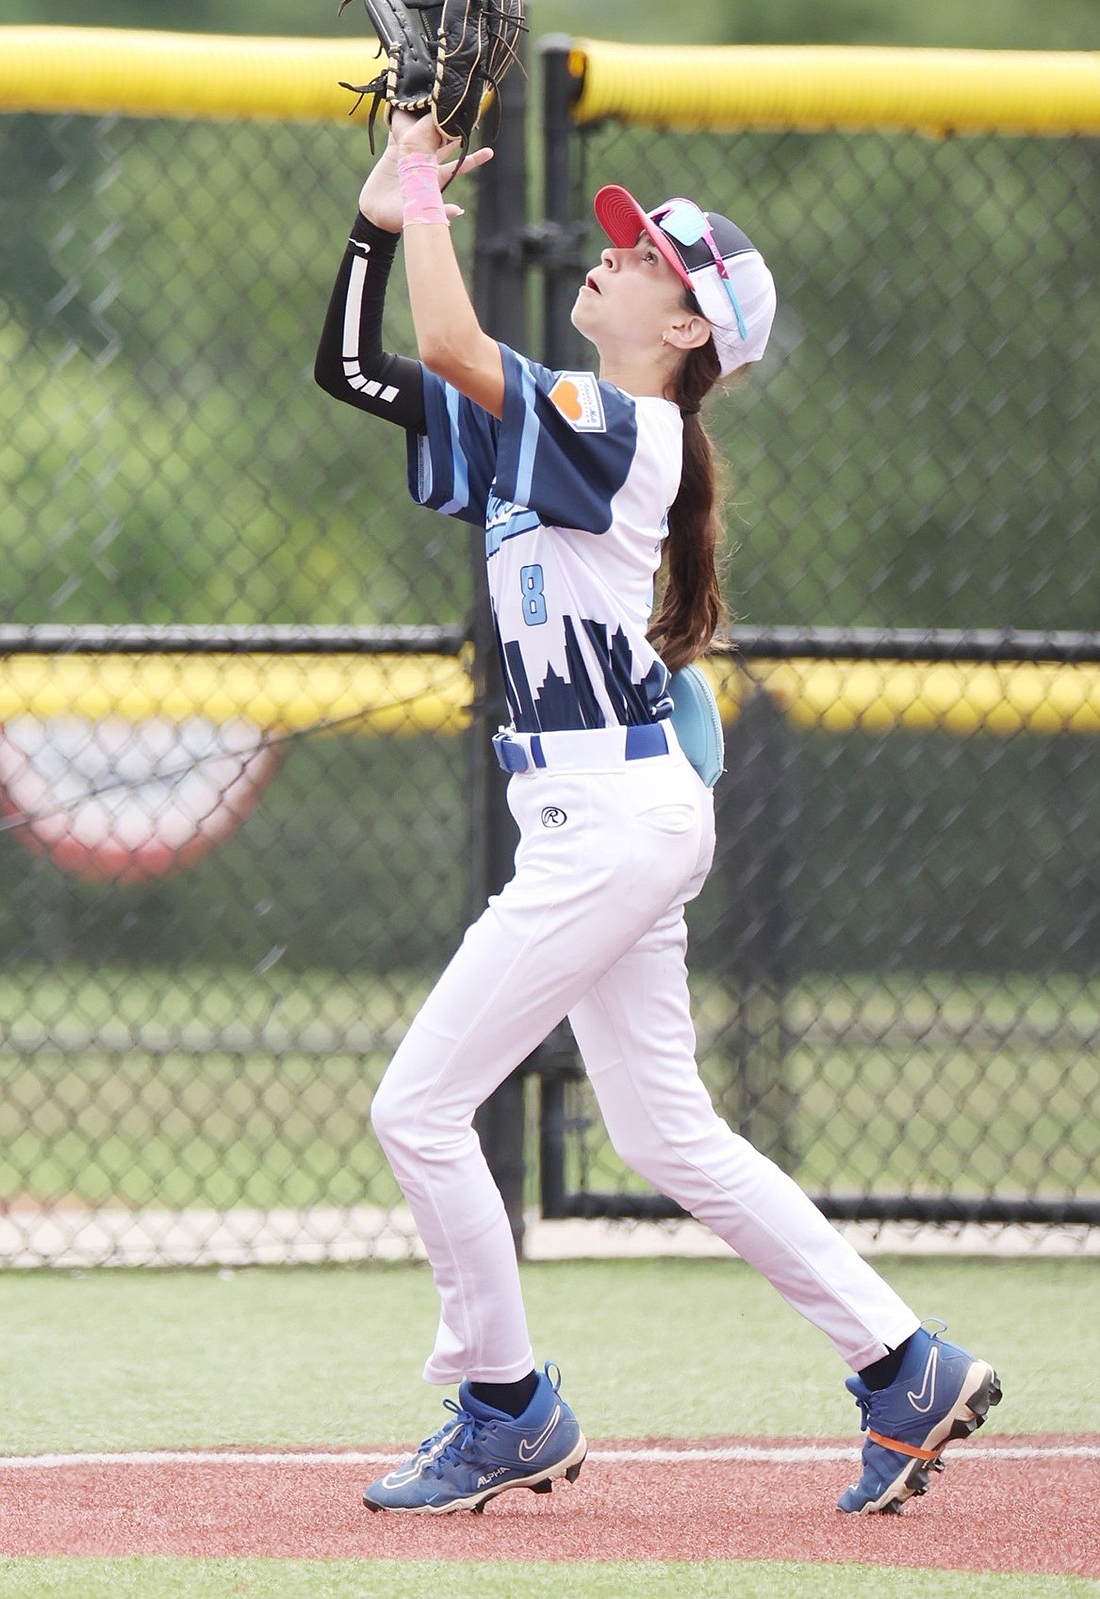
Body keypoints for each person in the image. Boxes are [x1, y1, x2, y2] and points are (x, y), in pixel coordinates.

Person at [314, 109, 1001, 1518]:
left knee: (420, 1107)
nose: (615, 256)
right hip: (608, 810)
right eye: (624, 240)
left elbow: (452, 347)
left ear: (690, 333)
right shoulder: (558, 422)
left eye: (648, 259)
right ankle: (905, 1364)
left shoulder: (629, 429)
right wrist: (376, 222)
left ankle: (505, 1405)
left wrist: (430, 201)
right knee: (668, 1136)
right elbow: (354, 367)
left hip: (606, 822)